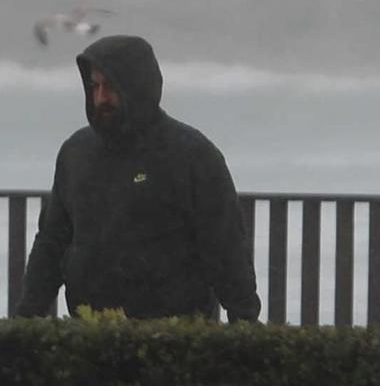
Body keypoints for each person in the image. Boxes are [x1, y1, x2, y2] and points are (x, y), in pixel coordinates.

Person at [13, 34, 260, 322]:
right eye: (95, 86)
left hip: (174, 338)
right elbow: (51, 243)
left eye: (111, 87)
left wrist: (245, 325)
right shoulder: (75, 153)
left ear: (138, 86)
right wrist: (25, 319)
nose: (101, 98)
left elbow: (226, 249)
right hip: (88, 337)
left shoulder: (192, 155)